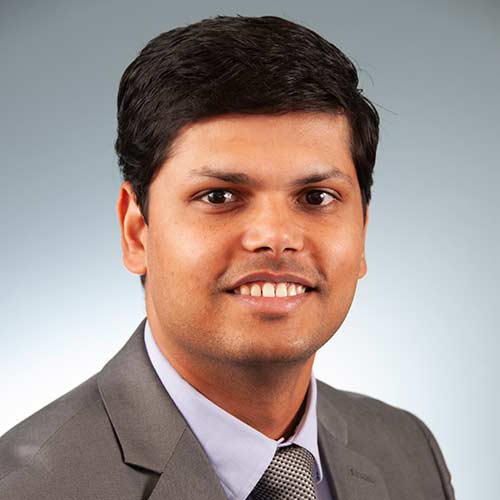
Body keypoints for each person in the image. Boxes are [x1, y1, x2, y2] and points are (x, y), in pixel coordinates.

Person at [0, 15, 455, 500]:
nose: (276, 237)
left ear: (362, 231)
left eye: (317, 197)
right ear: (136, 232)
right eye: (219, 196)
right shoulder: (26, 488)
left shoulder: (408, 451)